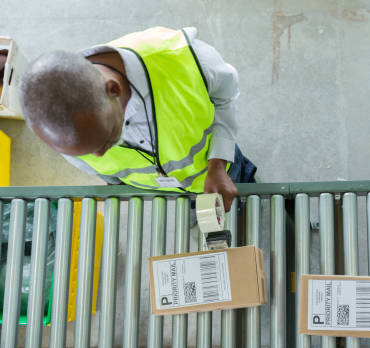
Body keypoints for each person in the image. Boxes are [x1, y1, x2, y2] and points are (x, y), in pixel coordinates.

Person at [19, 26, 256, 211]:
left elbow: (225, 99)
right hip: (173, 191)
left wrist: (217, 167)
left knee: (245, 187)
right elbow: (109, 173)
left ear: (113, 90)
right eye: (83, 152)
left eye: (105, 141)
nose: (99, 155)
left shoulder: (183, 58)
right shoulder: (63, 129)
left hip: (219, 169)